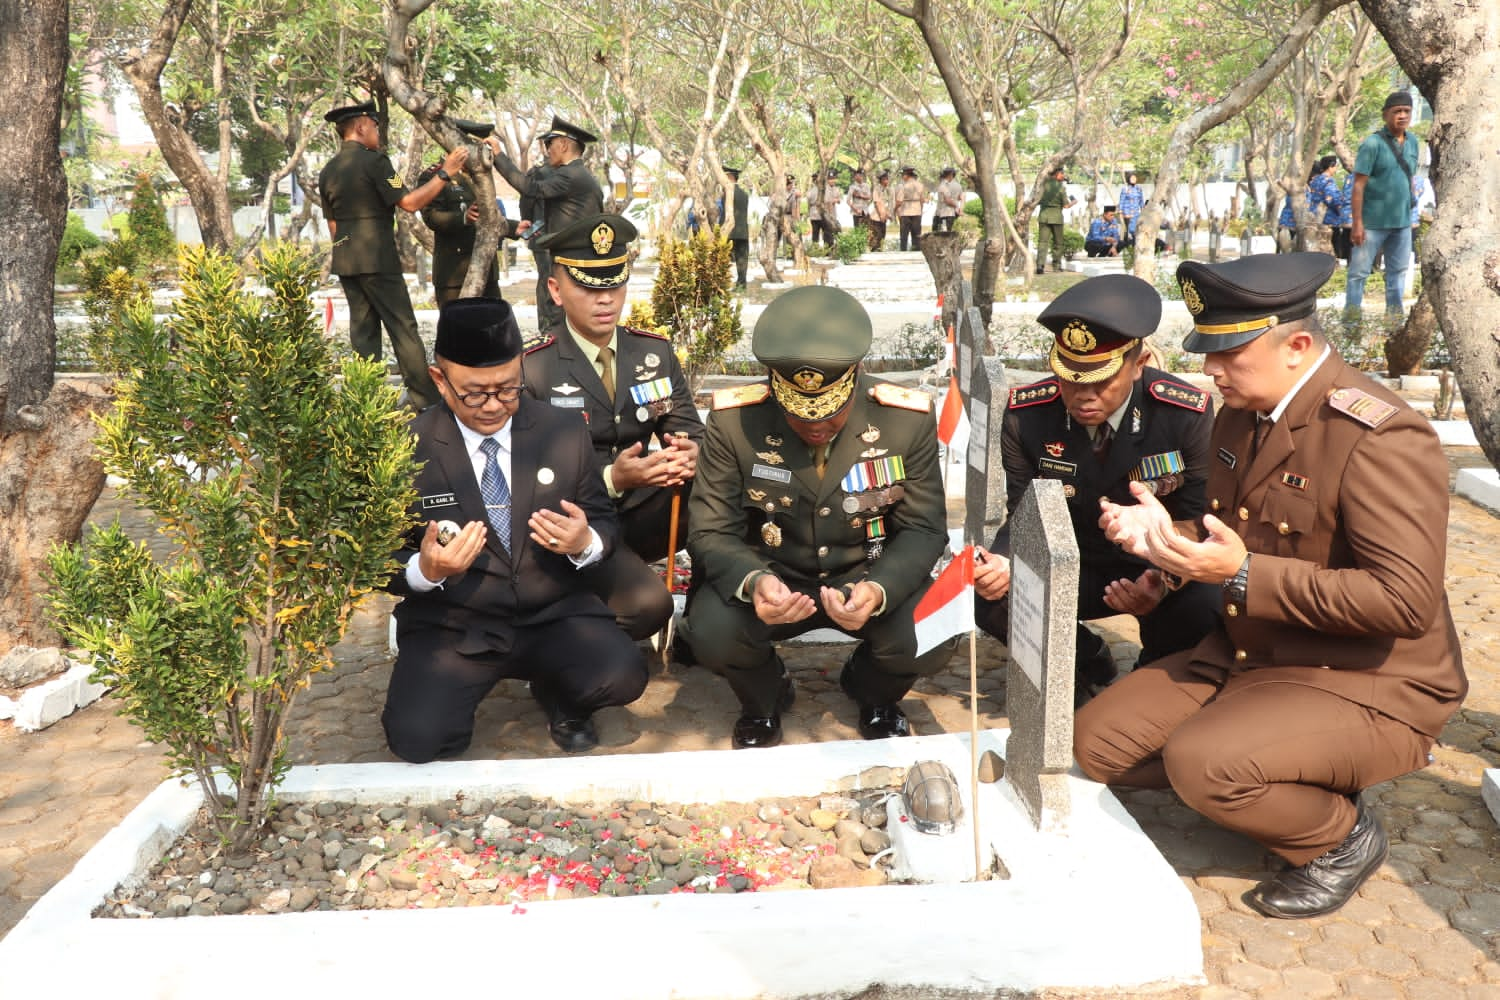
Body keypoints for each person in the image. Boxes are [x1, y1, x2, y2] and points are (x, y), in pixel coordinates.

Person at [1077, 252, 1467, 920]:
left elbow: (1402, 600)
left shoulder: (1380, 435)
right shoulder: (1241, 414)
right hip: (1252, 653)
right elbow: (1241, 537)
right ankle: (1278, 771)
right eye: (1208, 352)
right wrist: (1166, 537)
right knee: (1097, 744)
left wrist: (1239, 575)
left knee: (1203, 763)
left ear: (1298, 346)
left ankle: (1337, 838)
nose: (1209, 370)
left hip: (1368, 680)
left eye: (1230, 354)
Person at [678, 286, 955, 749]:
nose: (815, 426)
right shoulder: (734, 421)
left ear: (857, 374)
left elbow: (924, 527)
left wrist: (879, 588)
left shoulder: (905, 419)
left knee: (930, 634)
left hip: (864, 572)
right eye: (799, 414)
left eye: (831, 411)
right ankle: (765, 697)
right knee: (710, 631)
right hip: (775, 575)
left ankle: (872, 690)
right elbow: (710, 528)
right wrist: (755, 582)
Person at [382, 296, 649, 761]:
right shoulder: (407, 447)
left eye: (507, 389)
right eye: (474, 393)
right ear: (440, 379)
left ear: (522, 369)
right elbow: (374, 557)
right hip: (456, 624)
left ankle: (559, 695)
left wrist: (585, 541)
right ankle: (459, 698)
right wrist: (424, 569)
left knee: (623, 674)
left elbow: (602, 519)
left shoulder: (562, 430)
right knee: (418, 740)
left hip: (554, 614)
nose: (492, 406)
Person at [974, 274, 1219, 706]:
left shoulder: (1183, 415)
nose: (1083, 396)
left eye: (1102, 381)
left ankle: (1155, 674)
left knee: (1205, 598)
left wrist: (1162, 578)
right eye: (1071, 379)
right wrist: (1002, 563)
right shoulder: (1027, 416)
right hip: (1076, 563)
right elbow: (1025, 513)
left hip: (1155, 562)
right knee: (993, 598)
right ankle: (1083, 661)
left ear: (1139, 363)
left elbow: (1201, 521)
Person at [522, 213, 703, 641]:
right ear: (556, 290)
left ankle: (706, 621)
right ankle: (562, 641)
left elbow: (690, 430)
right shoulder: (534, 366)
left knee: (720, 483)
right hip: (575, 521)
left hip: (643, 513)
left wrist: (689, 451)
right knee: (645, 609)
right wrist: (611, 479)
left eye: (614, 285)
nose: (604, 300)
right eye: (587, 286)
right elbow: (527, 479)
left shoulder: (652, 353)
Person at [318, 101, 468, 411]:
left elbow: (333, 224)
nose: (377, 133)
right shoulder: (377, 164)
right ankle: (425, 399)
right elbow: (410, 202)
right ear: (361, 126)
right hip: (378, 259)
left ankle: (366, 401)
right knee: (403, 328)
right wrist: (444, 173)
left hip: (347, 260)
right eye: (374, 127)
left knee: (363, 331)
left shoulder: (328, 170)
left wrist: (349, 246)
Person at [483, 117, 604, 332]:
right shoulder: (581, 174)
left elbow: (529, 189)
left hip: (570, 259)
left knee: (557, 311)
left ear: (564, 144)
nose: (548, 150)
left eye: (551, 144)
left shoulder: (570, 175)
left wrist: (499, 155)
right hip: (575, 257)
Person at [1346, 92, 1420, 322]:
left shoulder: (1414, 142)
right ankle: (1351, 324)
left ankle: (1394, 324)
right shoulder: (1372, 144)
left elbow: (1409, 179)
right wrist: (1357, 223)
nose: (1402, 116)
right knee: (1358, 274)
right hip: (1372, 224)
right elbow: (1358, 186)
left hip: (1402, 223)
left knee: (1397, 274)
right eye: (1396, 111)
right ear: (1385, 114)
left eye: (1406, 111)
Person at [418, 119, 505, 307]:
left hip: (486, 273)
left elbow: (490, 217)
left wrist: (515, 227)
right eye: (477, 147)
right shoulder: (435, 175)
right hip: (454, 275)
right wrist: (463, 218)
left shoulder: (481, 177)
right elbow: (431, 216)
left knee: (493, 330)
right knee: (457, 332)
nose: (482, 153)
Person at [1275, 156, 1342, 254]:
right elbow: (1332, 200)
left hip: (1289, 224)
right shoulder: (1302, 188)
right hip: (1292, 226)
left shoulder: (1305, 186)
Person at [1036, 166, 1076, 274]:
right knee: (1058, 243)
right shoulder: (1060, 187)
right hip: (1057, 217)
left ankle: (1040, 265)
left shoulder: (1042, 185)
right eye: (1062, 173)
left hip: (1043, 216)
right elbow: (1066, 206)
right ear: (1056, 174)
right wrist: (1074, 202)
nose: (1063, 176)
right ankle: (1056, 266)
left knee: (1042, 242)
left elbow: (1037, 201)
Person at [722, 166, 751, 289]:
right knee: (742, 259)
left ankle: (722, 284)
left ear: (730, 177)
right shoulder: (744, 194)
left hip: (729, 232)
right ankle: (741, 283)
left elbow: (724, 213)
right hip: (743, 231)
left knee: (722, 259)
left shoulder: (727, 193)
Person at [896, 166, 924, 252]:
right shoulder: (920, 185)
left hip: (905, 212)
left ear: (907, 175)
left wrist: (895, 209)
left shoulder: (904, 186)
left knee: (904, 236)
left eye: (903, 175)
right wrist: (920, 210)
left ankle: (903, 253)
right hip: (917, 211)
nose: (902, 177)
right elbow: (922, 200)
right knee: (916, 236)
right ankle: (916, 252)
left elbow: (899, 201)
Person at [868, 170, 894, 251]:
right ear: (881, 180)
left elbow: (890, 204)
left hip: (884, 218)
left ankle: (879, 252)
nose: (886, 181)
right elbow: (877, 203)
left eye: (887, 179)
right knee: (876, 237)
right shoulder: (877, 189)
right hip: (876, 218)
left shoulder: (889, 190)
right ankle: (873, 253)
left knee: (882, 236)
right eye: (884, 179)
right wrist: (881, 215)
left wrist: (889, 215)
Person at [932, 167, 962, 234]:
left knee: (940, 234)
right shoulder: (945, 185)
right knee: (946, 235)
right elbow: (948, 200)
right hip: (947, 214)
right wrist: (957, 206)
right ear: (950, 175)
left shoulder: (942, 185)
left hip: (941, 213)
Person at [1118, 172, 1145, 244]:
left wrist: (1143, 209)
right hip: (1127, 212)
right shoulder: (1125, 188)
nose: (1133, 179)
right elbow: (1122, 200)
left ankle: (1134, 243)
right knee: (1130, 229)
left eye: (1135, 178)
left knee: (1136, 228)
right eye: (1132, 178)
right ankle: (1130, 242)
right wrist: (1120, 211)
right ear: (1128, 179)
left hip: (1136, 211)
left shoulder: (1139, 188)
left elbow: (1141, 200)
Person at [806, 172, 829, 248]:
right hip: (821, 214)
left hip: (815, 214)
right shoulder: (824, 190)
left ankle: (815, 248)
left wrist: (808, 213)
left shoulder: (811, 191)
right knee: (825, 232)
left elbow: (808, 203)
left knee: (816, 233)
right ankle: (826, 249)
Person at [821, 169, 844, 243]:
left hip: (833, 214)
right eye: (830, 179)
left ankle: (834, 247)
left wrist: (836, 200)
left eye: (833, 179)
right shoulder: (824, 189)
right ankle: (827, 249)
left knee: (835, 231)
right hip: (825, 214)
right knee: (827, 232)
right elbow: (825, 201)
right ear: (827, 180)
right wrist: (832, 200)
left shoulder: (836, 189)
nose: (832, 181)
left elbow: (839, 200)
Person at [847, 168, 872, 234]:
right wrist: (855, 210)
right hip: (857, 212)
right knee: (858, 232)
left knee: (867, 231)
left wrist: (860, 196)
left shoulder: (866, 186)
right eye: (858, 175)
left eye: (861, 175)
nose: (860, 177)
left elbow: (869, 197)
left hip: (865, 212)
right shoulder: (852, 187)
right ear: (855, 177)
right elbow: (848, 201)